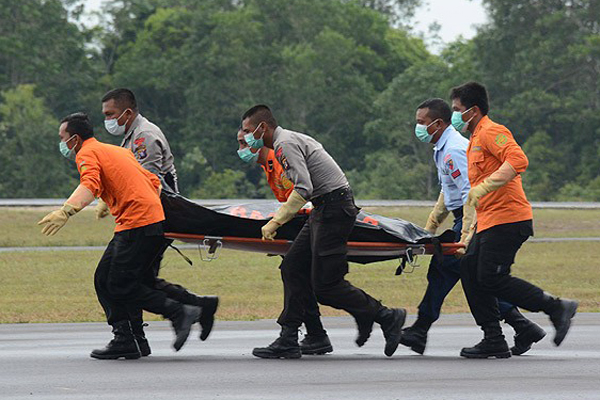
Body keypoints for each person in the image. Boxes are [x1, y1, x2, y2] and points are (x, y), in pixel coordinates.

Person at [239, 105, 406, 359]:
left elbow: (303, 188)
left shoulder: (284, 145)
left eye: (249, 131)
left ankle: (386, 316)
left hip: (333, 209)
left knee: (326, 286)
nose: (248, 137)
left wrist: (276, 222)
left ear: (263, 128)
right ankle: (288, 337)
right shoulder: (286, 141)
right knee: (292, 267)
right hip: (324, 208)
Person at [38, 112, 201, 360]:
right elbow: (150, 180)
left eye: (62, 137)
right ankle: (132, 339)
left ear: (74, 139)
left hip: (137, 223)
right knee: (107, 278)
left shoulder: (86, 153)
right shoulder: (116, 150)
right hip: (147, 221)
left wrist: (66, 211)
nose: (61, 143)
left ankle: (177, 313)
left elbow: (89, 183)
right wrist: (110, 198)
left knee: (118, 284)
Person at [400, 98, 545, 356]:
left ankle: (422, 330)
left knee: (461, 275)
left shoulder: (454, 149)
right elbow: (448, 191)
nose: (418, 127)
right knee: (453, 274)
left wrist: (465, 236)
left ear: (438, 123)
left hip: (473, 219)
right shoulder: (443, 148)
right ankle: (522, 326)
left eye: (421, 123)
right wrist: (429, 228)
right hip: (463, 218)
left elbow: (470, 194)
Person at [449, 82, 578, 359]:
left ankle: (556, 307)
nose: (454, 115)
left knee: (491, 277)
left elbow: (518, 159)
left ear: (473, 110)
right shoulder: (474, 138)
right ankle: (493, 338)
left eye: (457, 110)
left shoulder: (492, 131)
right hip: (489, 221)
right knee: (470, 269)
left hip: (509, 219)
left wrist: (486, 186)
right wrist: (469, 233)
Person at [97, 88, 218, 357]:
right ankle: (195, 307)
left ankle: (133, 334)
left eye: (110, 114)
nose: (107, 120)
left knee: (113, 279)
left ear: (127, 112)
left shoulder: (144, 137)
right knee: (139, 280)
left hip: (151, 219)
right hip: (148, 219)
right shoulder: (132, 136)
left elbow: (143, 183)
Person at [236, 130, 333, 355]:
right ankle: (316, 334)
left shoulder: (279, 162)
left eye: (244, 142)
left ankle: (291, 336)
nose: (241, 148)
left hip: (306, 221)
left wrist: (276, 226)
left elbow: (301, 197)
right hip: (297, 222)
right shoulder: (268, 165)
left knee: (294, 273)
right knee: (299, 277)